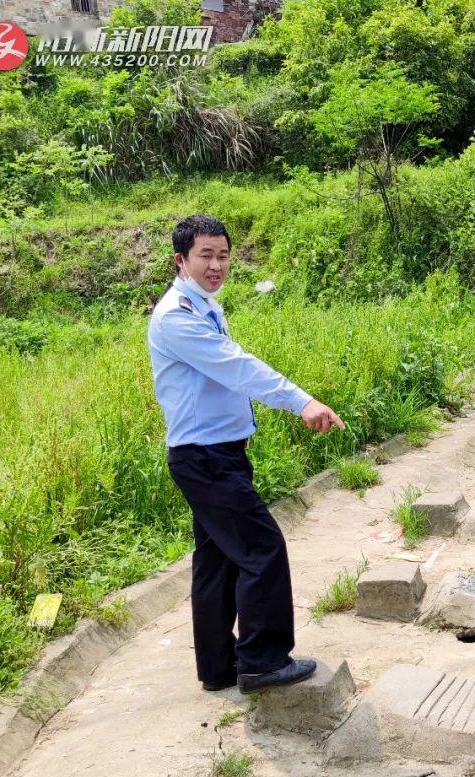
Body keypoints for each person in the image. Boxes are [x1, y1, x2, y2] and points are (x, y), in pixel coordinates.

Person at [147, 214, 345, 694]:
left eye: (223, 255)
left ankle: (219, 668)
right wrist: (302, 400)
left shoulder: (204, 307)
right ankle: (262, 661)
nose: (216, 265)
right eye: (205, 256)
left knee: (217, 562)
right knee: (262, 549)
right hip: (206, 459)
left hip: (216, 456)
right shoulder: (177, 317)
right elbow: (238, 368)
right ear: (181, 260)